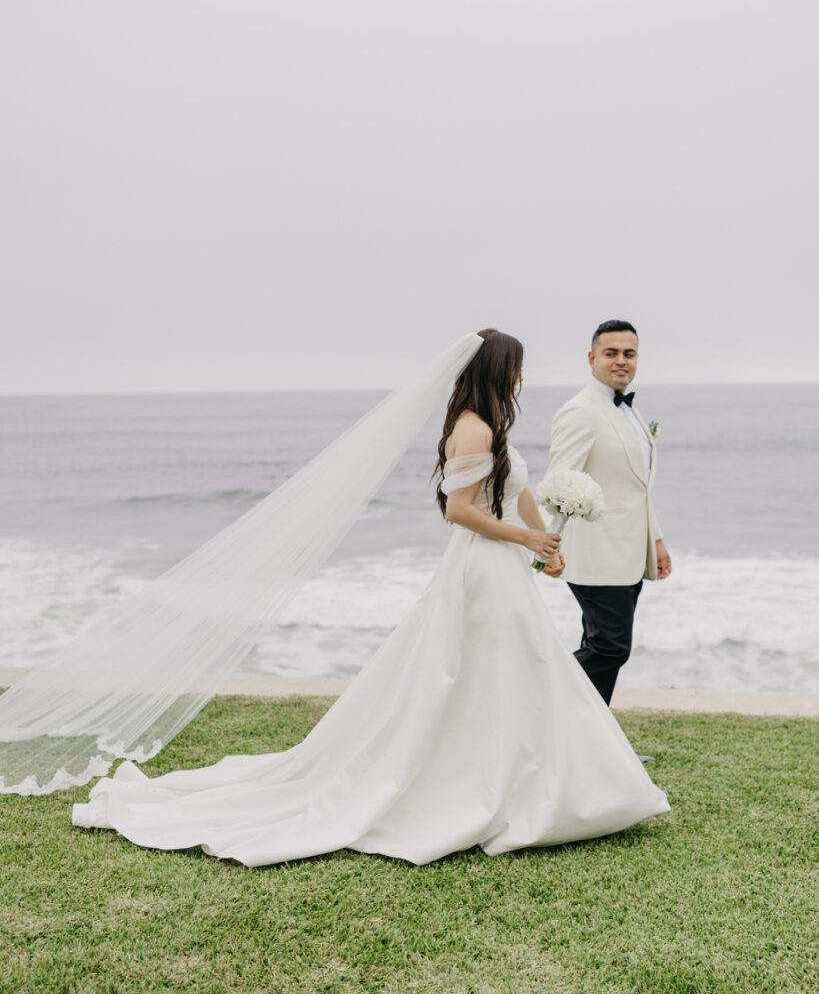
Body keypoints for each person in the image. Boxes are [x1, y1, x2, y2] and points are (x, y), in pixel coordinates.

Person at [72, 329, 669, 866]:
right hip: (481, 571)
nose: (520, 377)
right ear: (495, 369)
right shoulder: (472, 425)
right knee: (483, 672)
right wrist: (527, 538)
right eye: (515, 367)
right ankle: (486, 783)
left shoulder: (495, 424)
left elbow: (516, 490)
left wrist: (543, 547)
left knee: (516, 672)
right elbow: (460, 512)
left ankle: (529, 774)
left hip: (506, 567)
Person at [546, 320, 671, 717]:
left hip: (630, 553)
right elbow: (558, 485)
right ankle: (540, 707)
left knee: (603, 645)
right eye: (611, 353)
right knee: (609, 648)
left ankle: (590, 745)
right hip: (596, 557)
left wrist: (656, 540)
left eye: (629, 354)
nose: (621, 361)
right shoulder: (580, 412)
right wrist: (547, 546)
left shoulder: (632, 412)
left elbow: (637, 487)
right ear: (592, 358)